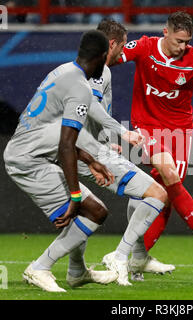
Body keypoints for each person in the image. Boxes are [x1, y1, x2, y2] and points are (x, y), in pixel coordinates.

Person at [116, 11, 193, 278]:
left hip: (180, 132)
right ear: (166, 32)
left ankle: (137, 258)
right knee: (170, 174)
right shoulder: (145, 47)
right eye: (179, 41)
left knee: (165, 196)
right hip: (147, 126)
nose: (183, 47)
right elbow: (111, 58)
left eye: (187, 42)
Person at [3, 30, 119, 292]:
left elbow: (55, 132)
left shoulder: (63, 71)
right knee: (94, 211)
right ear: (102, 58)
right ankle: (40, 268)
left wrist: (89, 159)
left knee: (91, 209)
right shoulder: (80, 88)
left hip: (31, 151)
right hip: (27, 162)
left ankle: (77, 272)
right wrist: (74, 195)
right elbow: (66, 144)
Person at [75, 19, 171, 286]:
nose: (122, 54)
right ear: (113, 44)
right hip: (87, 153)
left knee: (83, 209)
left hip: (77, 148)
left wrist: (105, 141)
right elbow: (90, 107)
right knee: (156, 193)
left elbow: (81, 114)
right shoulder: (101, 70)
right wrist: (121, 132)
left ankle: (65, 268)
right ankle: (121, 255)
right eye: (121, 47)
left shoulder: (79, 67)